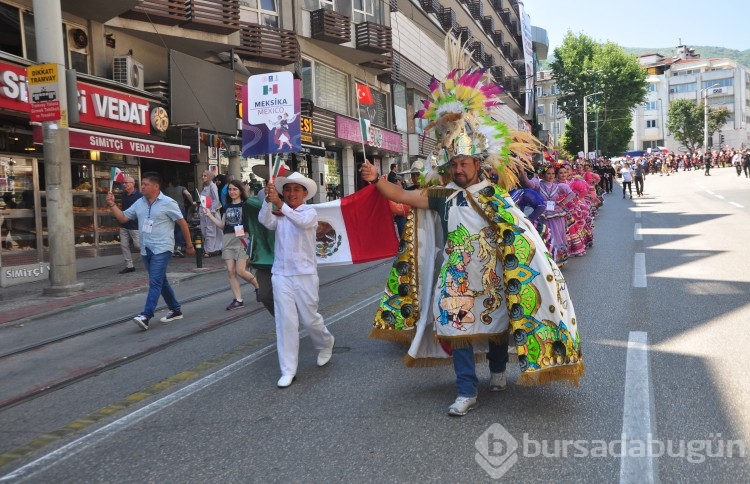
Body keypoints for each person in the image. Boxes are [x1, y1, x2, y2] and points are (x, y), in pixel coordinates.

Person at [259, 171, 335, 388]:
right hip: (281, 274)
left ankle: (325, 342)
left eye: (296, 190)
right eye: (288, 190)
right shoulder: (279, 214)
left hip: (305, 274)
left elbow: (301, 222)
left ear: (304, 194)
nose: (291, 194)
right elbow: (265, 220)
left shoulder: (309, 213)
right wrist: (267, 201)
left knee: (310, 319)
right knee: (285, 322)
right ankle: (288, 369)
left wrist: (280, 205)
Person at [106, 172, 195, 330]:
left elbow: (182, 223)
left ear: (156, 186)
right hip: (146, 249)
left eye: (146, 184)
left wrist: (189, 245)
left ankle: (146, 315)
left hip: (162, 248)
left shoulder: (168, 203)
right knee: (161, 281)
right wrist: (112, 205)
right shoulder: (139, 202)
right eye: (142, 184)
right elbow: (123, 218)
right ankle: (175, 309)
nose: (143, 187)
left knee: (154, 282)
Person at [203, 179, 260, 311]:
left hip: (242, 239)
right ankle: (238, 300)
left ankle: (258, 287)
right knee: (230, 271)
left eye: (235, 189)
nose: (232, 192)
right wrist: (210, 215)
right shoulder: (227, 207)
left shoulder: (247, 205)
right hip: (228, 239)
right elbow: (222, 226)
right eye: (230, 189)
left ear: (240, 190)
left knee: (240, 271)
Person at [164, 177, 195, 257]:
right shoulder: (182, 188)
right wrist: (192, 202)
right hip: (179, 209)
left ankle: (170, 247)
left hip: (168, 210)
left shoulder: (167, 190)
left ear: (170, 183)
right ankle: (179, 247)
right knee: (180, 228)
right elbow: (188, 194)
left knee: (170, 229)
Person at [117, 176, 141, 274]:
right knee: (124, 245)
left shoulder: (139, 196)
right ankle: (129, 265)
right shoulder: (123, 195)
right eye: (123, 183)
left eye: (126, 183)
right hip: (124, 224)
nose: (124, 185)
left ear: (132, 184)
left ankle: (152, 258)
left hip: (135, 225)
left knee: (138, 245)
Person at [199, 170, 222, 256]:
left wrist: (212, 211)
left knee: (210, 230)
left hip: (211, 212)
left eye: (205, 176)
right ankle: (212, 248)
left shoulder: (212, 186)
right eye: (202, 175)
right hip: (204, 212)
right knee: (204, 230)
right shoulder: (204, 186)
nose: (203, 177)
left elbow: (216, 199)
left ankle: (209, 250)